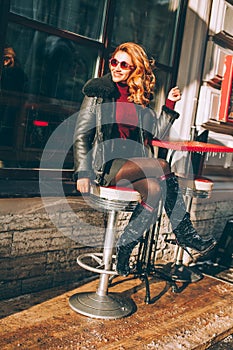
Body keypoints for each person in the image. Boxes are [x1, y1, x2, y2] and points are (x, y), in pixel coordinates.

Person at [73, 42, 217, 276]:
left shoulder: (137, 97)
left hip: (132, 164)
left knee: (154, 190)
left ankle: (125, 249)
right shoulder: (98, 91)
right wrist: (83, 172)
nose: (117, 68)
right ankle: (185, 232)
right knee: (162, 165)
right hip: (106, 165)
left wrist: (169, 105)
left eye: (124, 64)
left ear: (135, 70)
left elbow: (155, 135)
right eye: (114, 62)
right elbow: (81, 134)